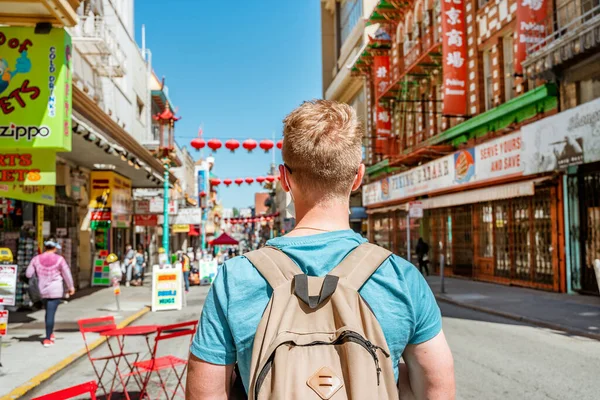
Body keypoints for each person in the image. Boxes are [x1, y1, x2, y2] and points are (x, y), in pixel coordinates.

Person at [187, 100, 455, 399]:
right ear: (357, 177)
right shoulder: (401, 276)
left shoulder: (235, 278)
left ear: (284, 178)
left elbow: (204, 394)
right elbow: (436, 388)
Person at [26, 239, 75, 347]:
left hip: (41, 290)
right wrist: (70, 287)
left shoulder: (36, 259)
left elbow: (28, 274)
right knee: (50, 314)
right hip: (55, 290)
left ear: (45, 247)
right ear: (54, 248)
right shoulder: (60, 259)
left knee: (48, 313)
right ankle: (48, 338)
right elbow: (67, 274)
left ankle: (50, 332)